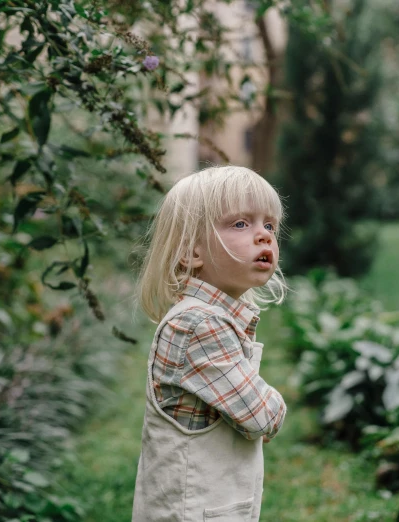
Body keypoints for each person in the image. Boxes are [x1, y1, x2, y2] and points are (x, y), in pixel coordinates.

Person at [132, 165, 288, 521]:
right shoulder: (200, 325)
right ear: (191, 252)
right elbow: (262, 417)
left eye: (269, 225)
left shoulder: (209, 319)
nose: (264, 236)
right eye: (240, 224)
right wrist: (274, 405)